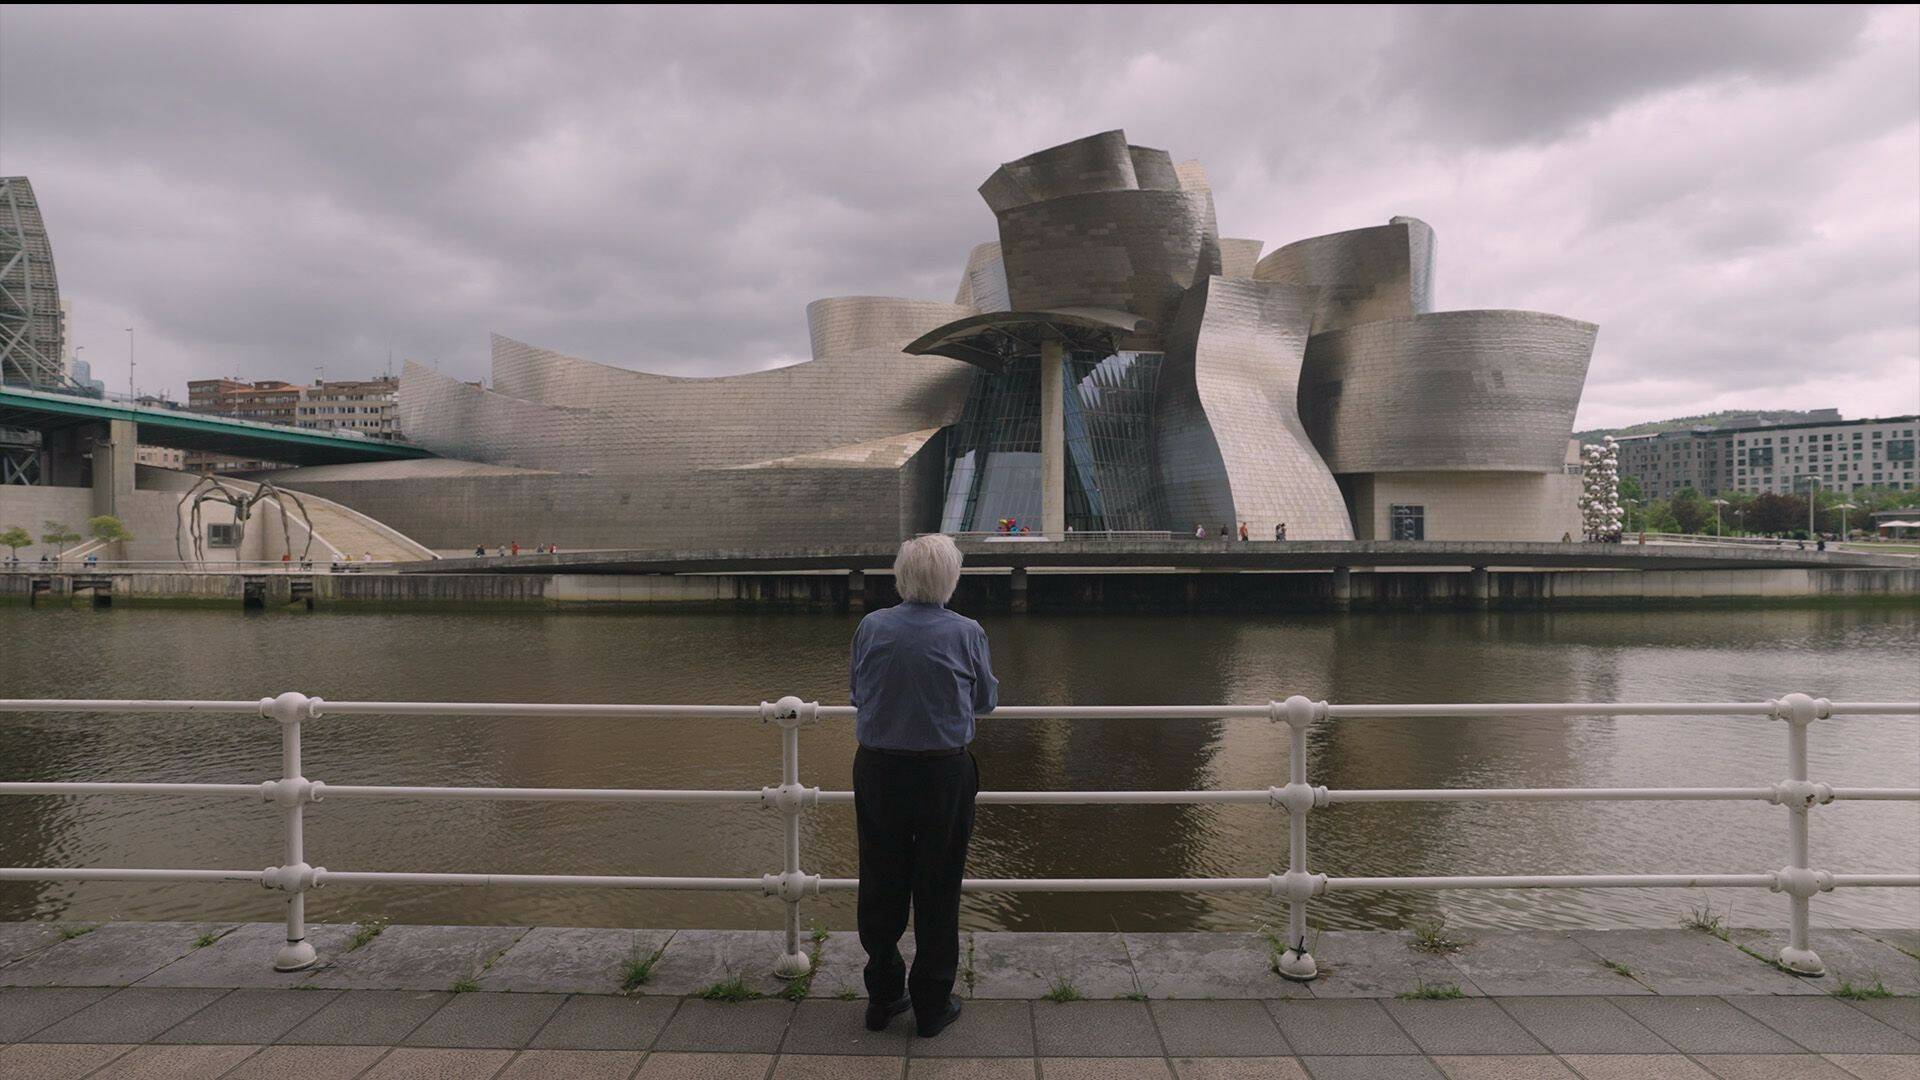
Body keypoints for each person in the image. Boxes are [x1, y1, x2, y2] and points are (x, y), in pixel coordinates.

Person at [849, 534, 994, 1038]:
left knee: (880, 876)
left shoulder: (871, 627)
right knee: (939, 883)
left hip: (879, 769)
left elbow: (857, 691)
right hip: (943, 773)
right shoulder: (967, 632)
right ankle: (932, 1004)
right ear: (950, 579)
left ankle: (884, 995)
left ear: (901, 576)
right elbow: (986, 701)